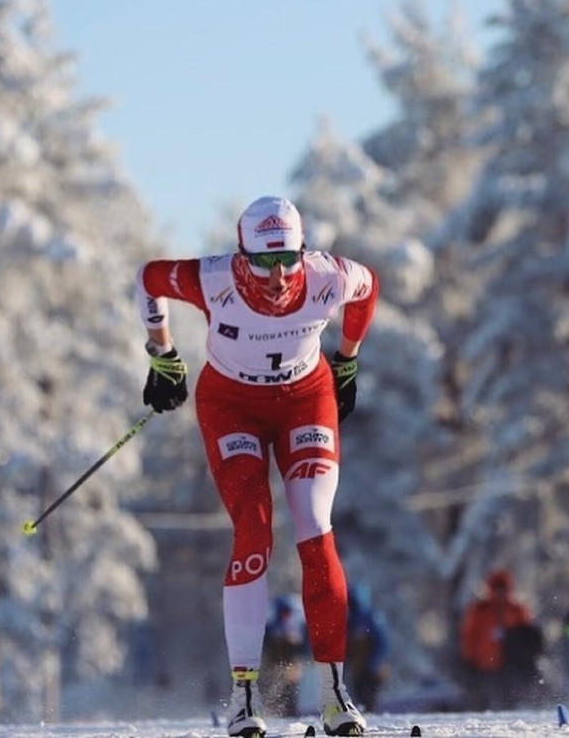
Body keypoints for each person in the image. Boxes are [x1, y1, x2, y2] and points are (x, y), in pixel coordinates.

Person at [135, 195, 379, 738]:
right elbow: (149, 279)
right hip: (231, 407)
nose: (277, 275)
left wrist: (348, 357)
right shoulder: (211, 278)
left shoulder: (327, 277)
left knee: (316, 528)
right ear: (241, 254)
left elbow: (370, 289)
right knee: (253, 529)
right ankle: (244, 697)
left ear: (302, 251)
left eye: (288, 259)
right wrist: (162, 353)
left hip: (305, 401)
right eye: (263, 261)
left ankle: (336, 693)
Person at [458, 568, 544, 710]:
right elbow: (469, 636)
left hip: (511, 664)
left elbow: (527, 633)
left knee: (512, 698)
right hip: (486, 665)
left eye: (502, 589)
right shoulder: (479, 610)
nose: (500, 593)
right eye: (497, 589)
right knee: (489, 700)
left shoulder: (517, 609)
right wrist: (469, 660)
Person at [345, 582, 390, 713]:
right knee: (358, 698)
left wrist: (376, 662)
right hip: (358, 668)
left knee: (369, 699)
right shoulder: (351, 620)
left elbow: (382, 642)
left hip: (372, 668)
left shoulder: (373, 617)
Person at [263, 593, 309, 716]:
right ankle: (273, 708)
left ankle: (290, 708)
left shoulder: (298, 616)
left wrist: (304, 652)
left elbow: (304, 638)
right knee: (275, 679)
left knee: (291, 681)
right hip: (276, 652)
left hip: (291, 652)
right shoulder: (272, 617)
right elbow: (266, 639)